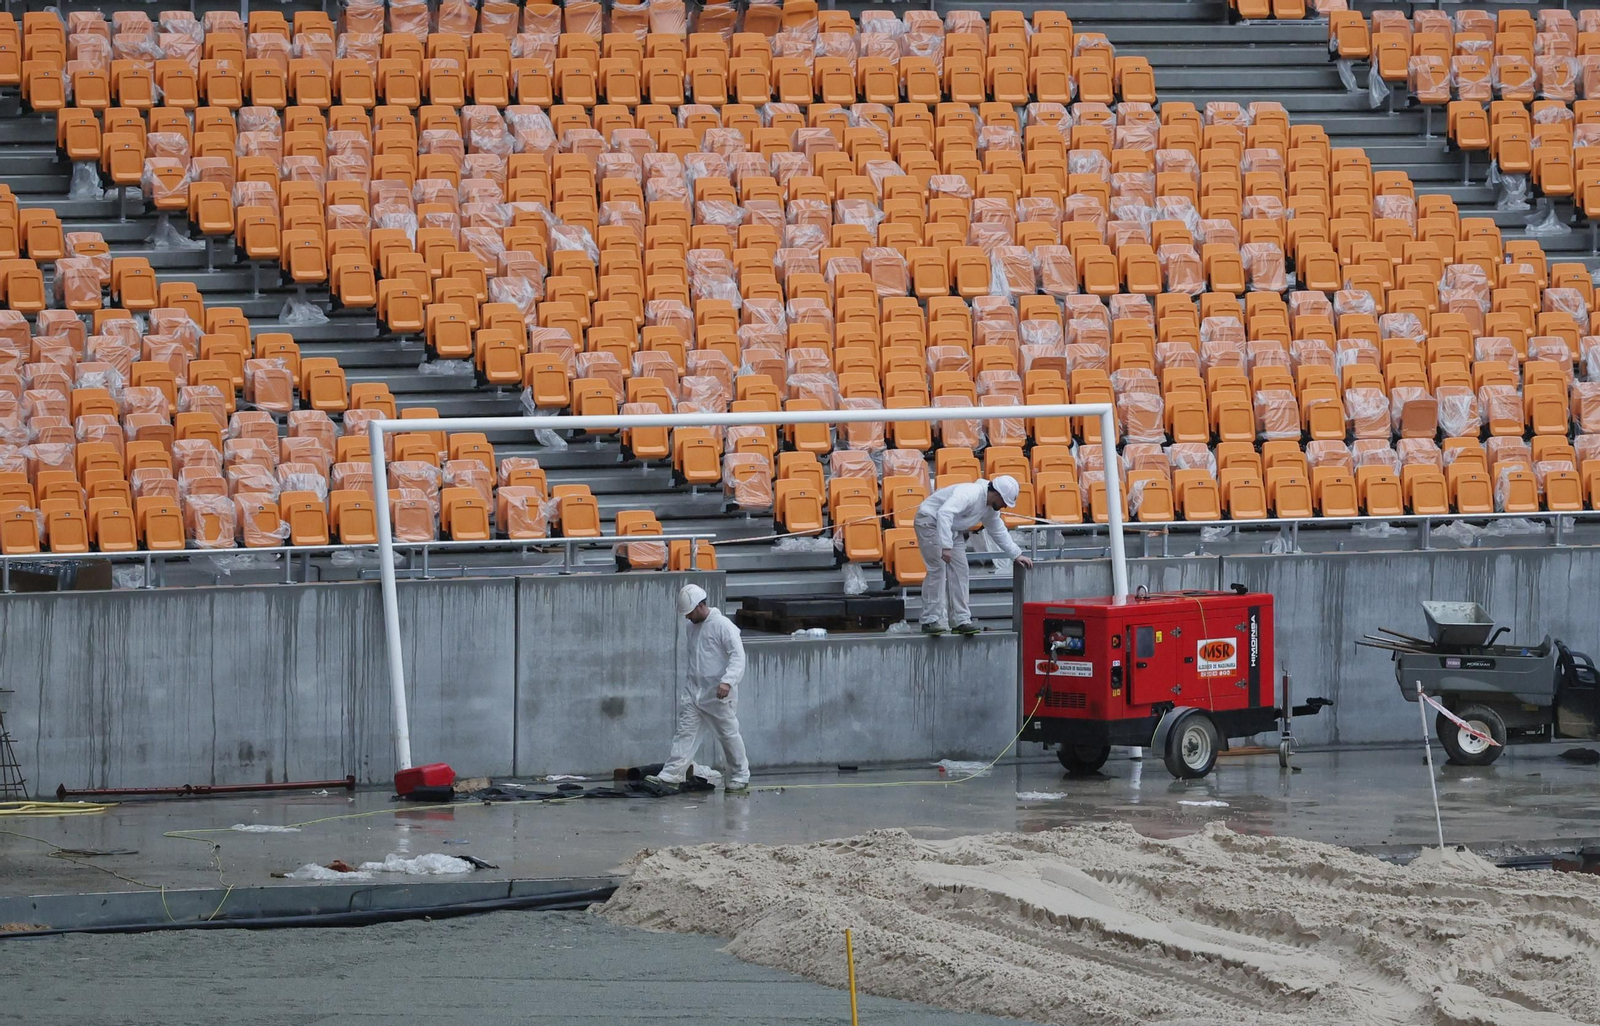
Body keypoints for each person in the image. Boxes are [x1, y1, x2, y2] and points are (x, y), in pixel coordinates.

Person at [647, 584, 752, 792]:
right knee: (685, 733)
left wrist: (727, 681)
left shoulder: (722, 625)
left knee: (728, 735)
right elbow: (695, 661)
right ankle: (671, 775)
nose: (687, 617)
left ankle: (740, 774)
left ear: (700, 605)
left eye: (689, 613)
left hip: (718, 694)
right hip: (696, 693)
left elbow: (738, 655)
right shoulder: (692, 627)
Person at [913, 475, 1034, 636]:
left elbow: (997, 530)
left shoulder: (989, 508)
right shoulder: (970, 493)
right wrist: (946, 546)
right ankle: (930, 620)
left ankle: (960, 620)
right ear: (997, 495)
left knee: (961, 571)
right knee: (938, 569)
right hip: (929, 521)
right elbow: (944, 513)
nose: (1005, 506)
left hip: (951, 528)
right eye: (1005, 502)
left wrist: (1016, 554)